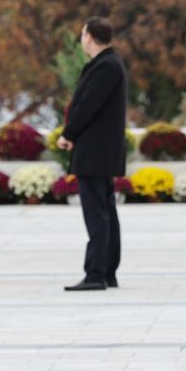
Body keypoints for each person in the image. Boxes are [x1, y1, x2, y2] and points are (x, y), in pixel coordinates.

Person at [57, 17, 128, 291]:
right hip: (100, 152)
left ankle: (97, 273)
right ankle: (107, 271)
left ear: (89, 37)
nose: (81, 39)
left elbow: (87, 106)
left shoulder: (105, 67)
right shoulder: (108, 64)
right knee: (106, 210)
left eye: (82, 34)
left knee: (97, 213)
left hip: (96, 153)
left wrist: (69, 134)